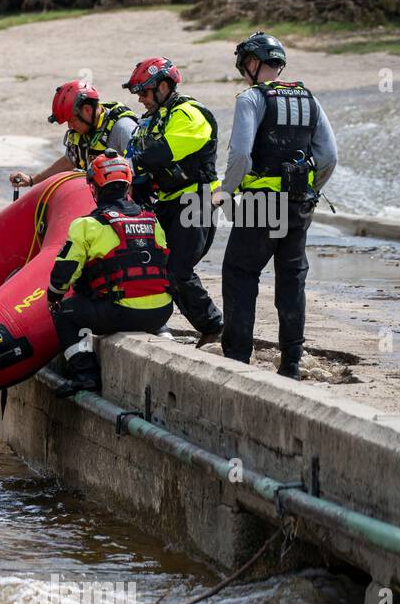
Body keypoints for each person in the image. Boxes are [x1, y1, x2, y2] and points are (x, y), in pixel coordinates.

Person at [218, 31, 338, 380]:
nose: (244, 72)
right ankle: (291, 363)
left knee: (240, 273)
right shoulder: (309, 99)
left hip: (260, 204)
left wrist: (226, 190)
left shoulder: (251, 99)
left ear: (253, 64)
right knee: (291, 279)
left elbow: (240, 154)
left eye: (244, 66)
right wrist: (310, 191)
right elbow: (329, 157)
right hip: (299, 204)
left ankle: (238, 357)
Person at [47, 150, 174, 398]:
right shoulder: (152, 220)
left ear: (95, 188)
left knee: (65, 314)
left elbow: (64, 273)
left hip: (121, 311)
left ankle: (85, 376)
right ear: (127, 186)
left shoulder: (87, 225)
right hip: (162, 312)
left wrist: (53, 296)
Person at [123, 57, 225, 346]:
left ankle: (215, 326)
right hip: (167, 201)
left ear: (164, 86)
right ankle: (169, 324)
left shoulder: (189, 114)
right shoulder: (151, 119)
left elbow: (162, 153)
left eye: (144, 92)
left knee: (178, 270)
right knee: (161, 268)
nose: (141, 100)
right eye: (138, 94)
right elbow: (141, 157)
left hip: (196, 201)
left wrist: (129, 164)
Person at [9, 79, 138, 189]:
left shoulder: (123, 128)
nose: (70, 126)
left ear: (87, 110)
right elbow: (69, 161)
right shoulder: (87, 127)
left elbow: (140, 172)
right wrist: (33, 180)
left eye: (72, 120)